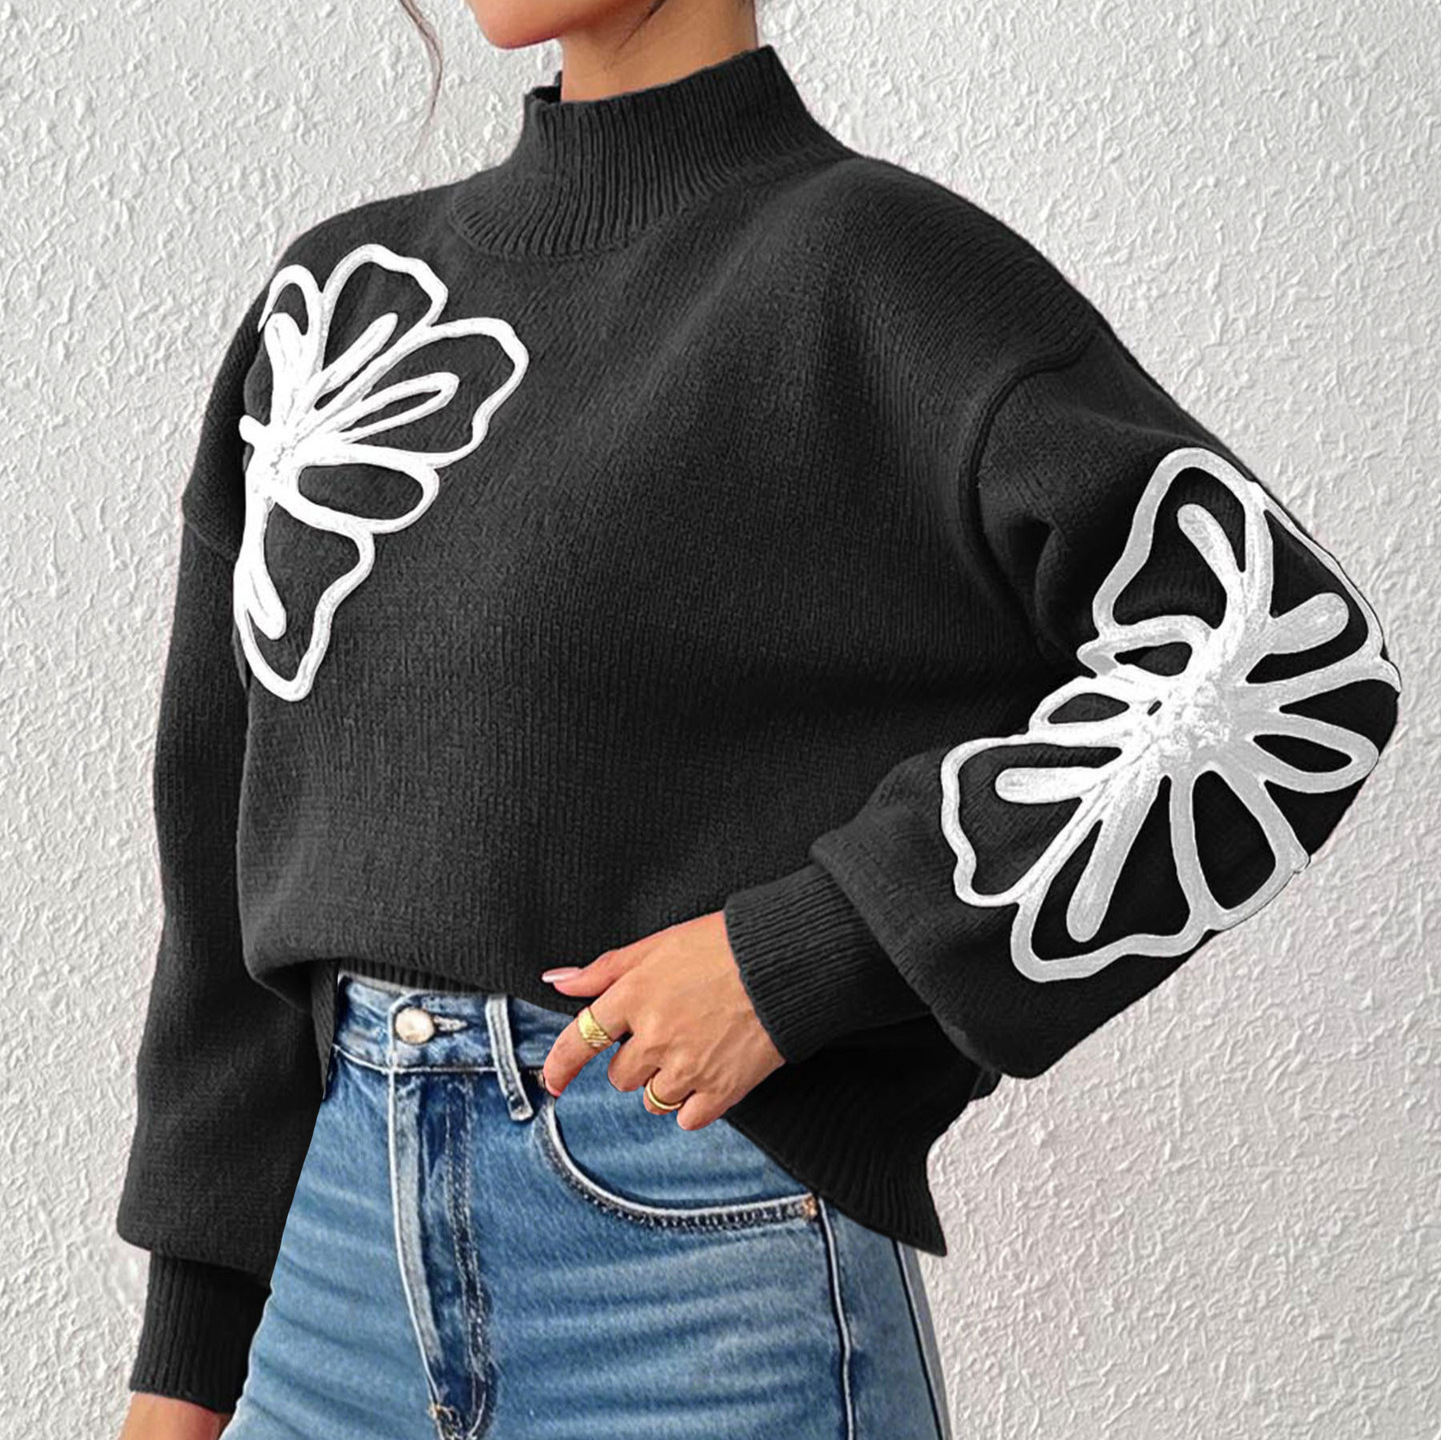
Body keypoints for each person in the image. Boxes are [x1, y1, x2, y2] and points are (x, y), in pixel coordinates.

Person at [113, 2, 1403, 1437]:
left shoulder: (878, 268)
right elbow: (221, 855)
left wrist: (811, 947)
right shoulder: (343, 310)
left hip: (693, 1284)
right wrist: (186, 1359)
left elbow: (1282, 664)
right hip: (326, 1292)